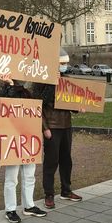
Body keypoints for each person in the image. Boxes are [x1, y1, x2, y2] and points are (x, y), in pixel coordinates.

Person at [33, 50, 82, 209]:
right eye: (61, 64)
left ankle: (66, 190)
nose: (64, 66)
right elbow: (37, 105)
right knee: (51, 162)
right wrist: (44, 128)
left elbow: (70, 102)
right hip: (52, 127)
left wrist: (79, 108)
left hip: (66, 125)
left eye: (65, 63)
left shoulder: (67, 80)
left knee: (66, 160)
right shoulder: (41, 81)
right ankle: (49, 194)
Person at [0, 74, 48, 223]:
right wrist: (10, 86)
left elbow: (36, 110)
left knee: (29, 175)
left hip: (27, 140)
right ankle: (10, 209)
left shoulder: (27, 93)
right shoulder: (2, 93)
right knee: (12, 177)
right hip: (12, 141)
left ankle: (29, 205)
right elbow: (6, 105)